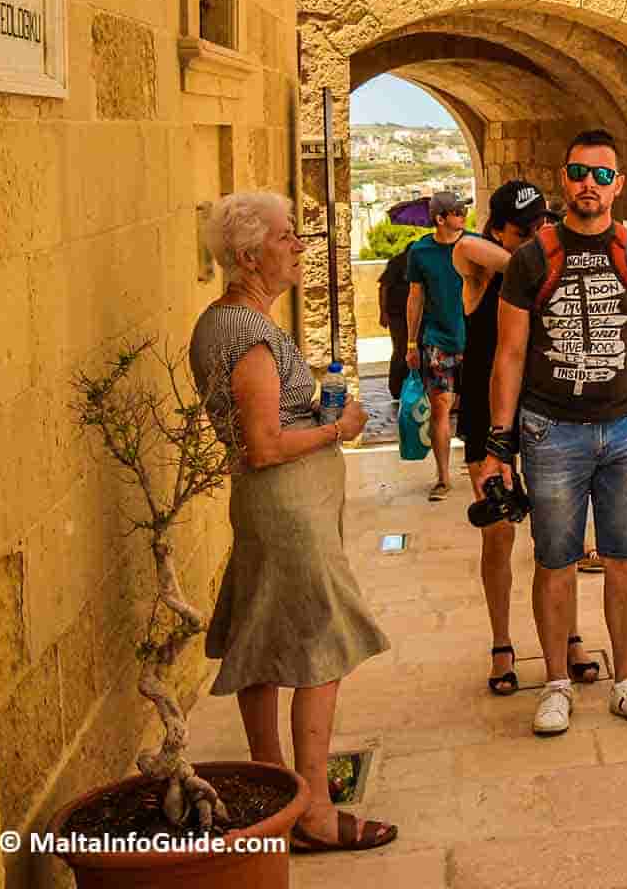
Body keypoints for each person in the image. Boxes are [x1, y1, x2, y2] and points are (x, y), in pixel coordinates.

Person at [188, 192, 395, 852]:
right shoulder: (247, 334)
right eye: (286, 236)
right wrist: (339, 426)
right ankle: (311, 811)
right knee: (318, 648)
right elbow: (264, 444)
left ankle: (274, 785)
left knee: (262, 643)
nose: (298, 246)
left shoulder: (226, 323)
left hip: (276, 509)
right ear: (250, 255)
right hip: (288, 514)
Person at [480, 130, 627, 737]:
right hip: (552, 432)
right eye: (578, 173)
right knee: (555, 562)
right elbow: (510, 354)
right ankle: (555, 684)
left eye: (602, 175)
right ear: (563, 179)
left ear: (619, 185)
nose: (588, 185)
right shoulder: (531, 259)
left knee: (626, 560)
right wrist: (499, 443)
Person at [448, 180, 604, 694]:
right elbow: (464, 246)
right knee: (498, 535)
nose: (538, 234)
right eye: (524, 229)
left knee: (559, 536)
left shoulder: (548, 268)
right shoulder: (488, 266)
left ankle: (570, 637)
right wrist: (531, 255)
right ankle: (501, 644)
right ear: (499, 229)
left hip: (541, 413)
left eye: (542, 223)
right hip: (485, 417)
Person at [405, 191, 470, 502]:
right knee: (440, 407)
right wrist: (410, 342)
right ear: (440, 218)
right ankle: (443, 477)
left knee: (479, 406)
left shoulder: (472, 246)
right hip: (437, 340)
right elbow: (415, 297)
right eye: (456, 212)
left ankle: (483, 465)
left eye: (463, 210)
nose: (463, 216)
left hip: (474, 337)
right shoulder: (420, 252)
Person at [378, 247, 411, 410]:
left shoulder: (417, 263)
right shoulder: (397, 263)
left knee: (411, 350)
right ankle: (396, 389)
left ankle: (408, 387)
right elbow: (384, 287)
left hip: (413, 315)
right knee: (400, 350)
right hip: (397, 315)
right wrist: (383, 313)